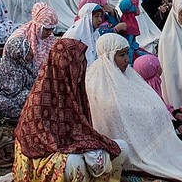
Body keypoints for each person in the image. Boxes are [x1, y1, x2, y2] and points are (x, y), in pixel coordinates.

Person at [13, 38, 128, 182]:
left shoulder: (75, 90)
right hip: (44, 154)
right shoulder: (39, 98)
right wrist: (82, 149)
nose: (81, 68)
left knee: (122, 148)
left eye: (82, 62)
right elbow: (42, 144)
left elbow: (82, 131)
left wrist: (88, 146)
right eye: (76, 64)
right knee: (75, 162)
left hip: (73, 145)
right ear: (64, 65)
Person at [86, 34, 182, 182]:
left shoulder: (128, 74)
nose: (127, 59)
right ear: (109, 56)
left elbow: (148, 98)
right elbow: (111, 110)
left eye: (127, 54)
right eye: (121, 55)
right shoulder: (95, 80)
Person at [0, 35, 36, 120]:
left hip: (17, 96)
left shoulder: (27, 65)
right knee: (4, 103)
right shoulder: (4, 70)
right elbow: (6, 93)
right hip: (3, 98)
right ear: (18, 55)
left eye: (30, 49)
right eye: (27, 53)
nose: (32, 54)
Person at [8, 2, 58, 71]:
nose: (49, 33)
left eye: (52, 29)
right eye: (47, 29)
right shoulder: (20, 37)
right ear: (38, 26)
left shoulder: (50, 38)